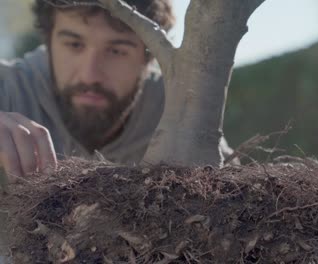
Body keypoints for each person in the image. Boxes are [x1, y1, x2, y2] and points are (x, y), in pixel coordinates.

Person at [0, 0, 213, 183]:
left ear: (148, 58)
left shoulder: (177, 107)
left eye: (116, 51)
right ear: (49, 41)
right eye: (74, 44)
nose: (90, 75)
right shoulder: (8, 88)